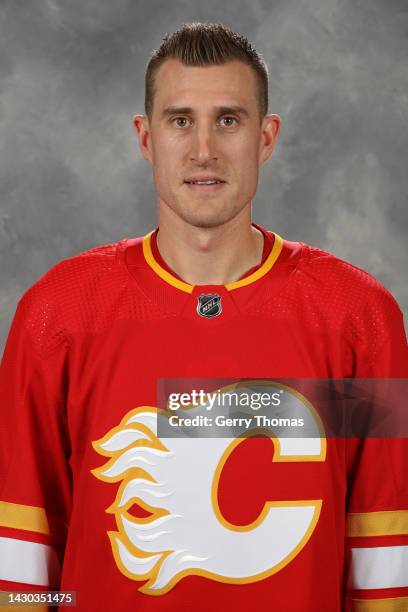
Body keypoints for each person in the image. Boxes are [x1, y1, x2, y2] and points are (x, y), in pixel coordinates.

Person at [0, 21, 407, 612]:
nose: (203, 151)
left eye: (229, 120)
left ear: (266, 138)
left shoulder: (361, 318)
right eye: (180, 119)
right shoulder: (57, 313)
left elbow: (383, 550)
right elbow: (25, 546)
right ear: (146, 138)